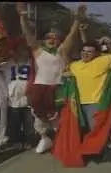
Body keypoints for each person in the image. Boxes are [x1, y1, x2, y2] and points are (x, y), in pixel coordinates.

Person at [16, 2, 85, 154]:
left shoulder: (61, 51)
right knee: (39, 118)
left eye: (54, 37)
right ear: (44, 39)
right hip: (39, 87)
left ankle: (62, 141)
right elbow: (27, 33)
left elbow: (72, 35)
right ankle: (44, 138)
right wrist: (23, 17)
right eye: (48, 37)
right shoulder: (38, 50)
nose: (51, 39)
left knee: (57, 119)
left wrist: (77, 20)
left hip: (57, 88)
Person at [52, 40, 111, 167]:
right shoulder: (75, 65)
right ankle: (85, 152)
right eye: (83, 51)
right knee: (81, 130)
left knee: (95, 130)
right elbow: (64, 53)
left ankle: (98, 152)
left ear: (96, 53)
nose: (85, 54)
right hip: (77, 104)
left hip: (96, 103)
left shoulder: (104, 61)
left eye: (89, 52)